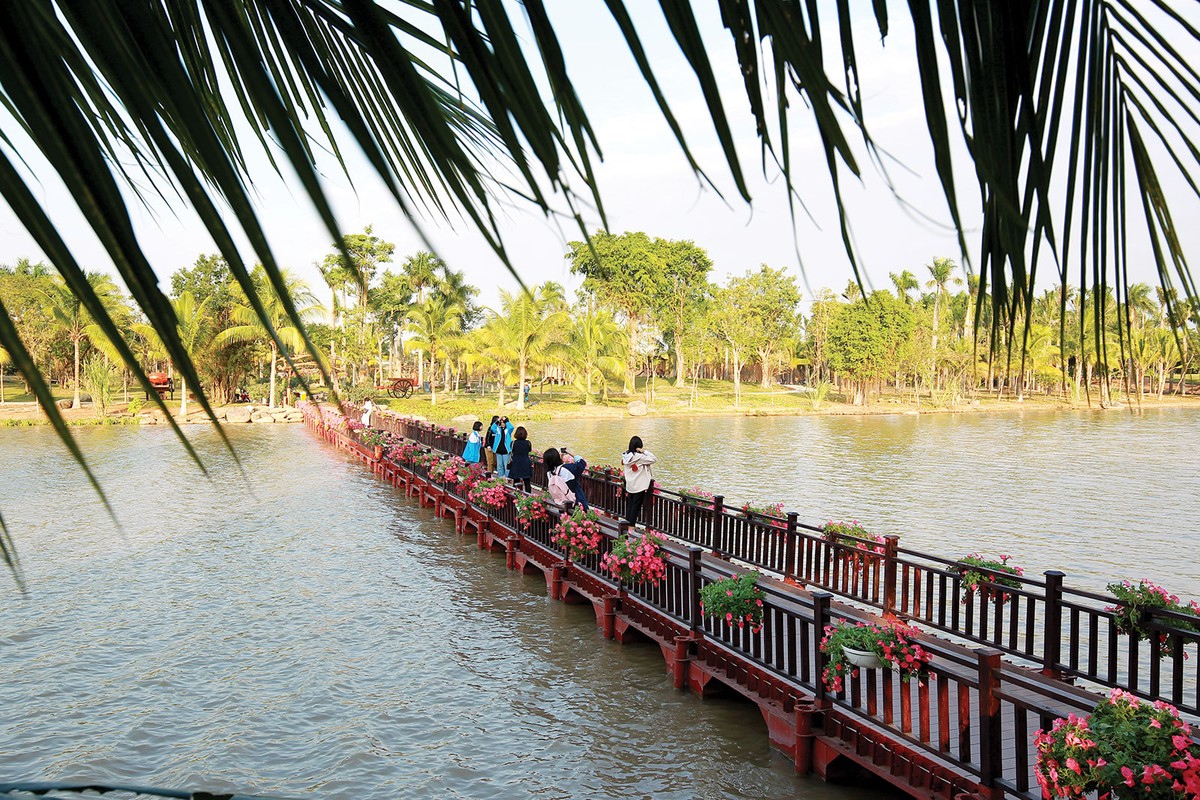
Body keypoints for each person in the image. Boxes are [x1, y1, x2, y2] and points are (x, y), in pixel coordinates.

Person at [621, 435, 657, 529]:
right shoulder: (639, 457)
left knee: (630, 506)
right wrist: (644, 451)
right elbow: (653, 459)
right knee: (635, 508)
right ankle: (631, 529)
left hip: (630, 485)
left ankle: (626, 526)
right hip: (639, 486)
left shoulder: (626, 456)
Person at [542, 447, 576, 513]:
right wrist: (570, 453)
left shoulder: (549, 473)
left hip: (559, 501)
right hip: (571, 500)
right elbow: (581, 463)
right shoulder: (564, 470)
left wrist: (561, 458)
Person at [560, 448, 589, 513]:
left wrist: (560, 457)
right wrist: (570, 453)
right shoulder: (566, 469)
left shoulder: (551, 471)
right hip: (575, 501)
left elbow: (558, 466)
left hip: (561, 503)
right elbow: (581, 463)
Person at [508, 426, 533, 492]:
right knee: (527, 482)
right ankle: (528, 496)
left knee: (516, 481)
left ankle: (516, 496)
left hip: (516, 463)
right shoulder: (528, 443)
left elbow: (512, 451)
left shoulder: (513, 443)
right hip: (525, 463)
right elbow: (529, 450)